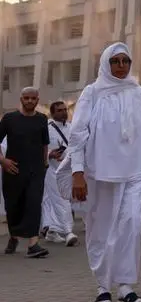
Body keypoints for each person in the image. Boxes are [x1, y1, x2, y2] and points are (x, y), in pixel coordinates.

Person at [70, 42, 141, 302]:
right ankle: (102, 285)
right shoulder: (93, 93)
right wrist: (78, 172)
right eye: (115, 61)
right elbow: (78, 134)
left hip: (136, 171)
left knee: (132, 224)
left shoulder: (139, 93)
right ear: (106, 64)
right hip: (101, 173)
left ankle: (125, 286)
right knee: (102, 229)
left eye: (125, 61)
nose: (121, 66)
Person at [0, 87, 50, 258]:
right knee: (14, 206)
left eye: (33, 98)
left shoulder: (42, 119)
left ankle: (33, 244)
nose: (30, 101)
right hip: (13, 170)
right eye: (26, 98)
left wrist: (44, 163)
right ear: (21, 99)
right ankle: (14, 237)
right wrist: (3, 161)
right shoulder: (9, 119)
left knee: (34, 204)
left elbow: (44, 144)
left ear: (38, 100)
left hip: (35, 170)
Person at [41, 100, 77, 246]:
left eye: (65, 110)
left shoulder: (72, 127)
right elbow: (39, 146)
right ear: (53, 113)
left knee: (53, 201)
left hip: (70, 169)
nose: (64, 112)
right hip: (52, 169)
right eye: (60, 110)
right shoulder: (46, 128)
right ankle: (68, 231)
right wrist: (50, 154)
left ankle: (52, 230)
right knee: (61, 199)